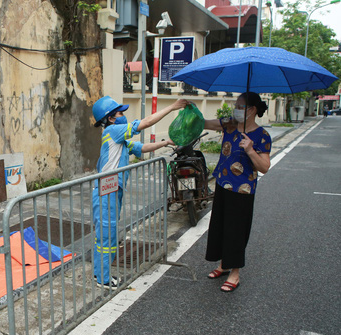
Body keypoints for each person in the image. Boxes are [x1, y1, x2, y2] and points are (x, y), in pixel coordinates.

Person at [91, 96, 189, 288]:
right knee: (106, 237)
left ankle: (99, 274)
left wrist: (165, 142)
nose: (123, 116)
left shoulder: (119, 141)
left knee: (106, 235)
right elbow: (145, 123)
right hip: (106, 192)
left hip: (111, 191)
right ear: (110, 118)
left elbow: (142, 147)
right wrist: (173, 107)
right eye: (120, 113)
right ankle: (103, 279)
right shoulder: (113, 131)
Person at [203, 92, 271, 292]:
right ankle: (223, 265)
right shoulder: (230, 124)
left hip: (242, 190)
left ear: (251, 110)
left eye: (240, 106)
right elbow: (206, 123)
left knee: (236, 230)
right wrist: (188, 110)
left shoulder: (261, 136)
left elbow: (265, 167)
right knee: (220, 226)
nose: (235, 109)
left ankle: (235, 272)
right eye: (235, 105)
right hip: (223, 184)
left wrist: (250, 150)